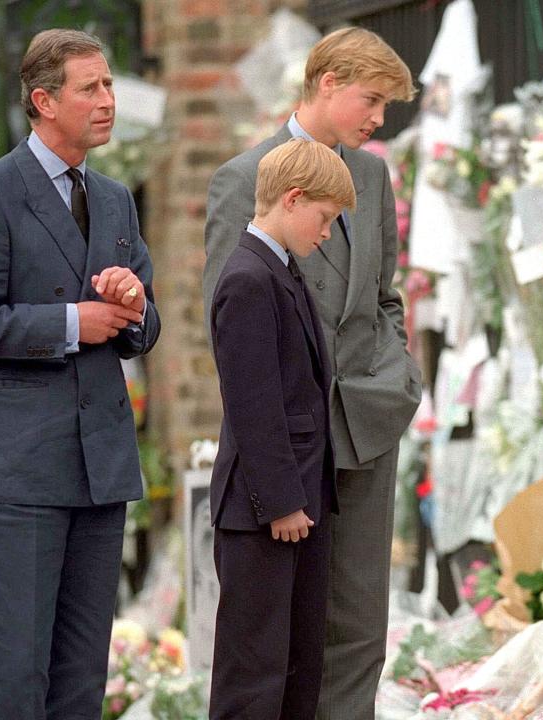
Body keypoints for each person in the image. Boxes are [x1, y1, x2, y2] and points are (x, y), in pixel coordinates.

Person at [0, 29, 160, 720]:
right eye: (90, 88)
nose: (108, 100)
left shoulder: (116, 198)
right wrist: (70, 324)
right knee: (15, 677)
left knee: (82, 679)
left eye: (110, 85)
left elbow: (142, 328)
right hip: (16, 472)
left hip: (101, 467)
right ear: (43, 101)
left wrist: (134, 304)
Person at [203, 27, 422, 719]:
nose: (379, 119)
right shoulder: (246, 179)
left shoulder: (373, 175)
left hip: (370, 424)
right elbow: (233, 329)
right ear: (328, 83)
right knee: (280, 638)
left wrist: (399, 378)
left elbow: (386, 295)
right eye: (373, 99)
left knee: (360, 624)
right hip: (296, 440)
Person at [209, 138, 354, 720]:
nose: (326, 234)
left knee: (297, 666)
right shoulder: (248, 278)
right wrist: (281, 502)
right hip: (264, 510)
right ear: (293, 200)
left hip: (297, 504)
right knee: (254, 675)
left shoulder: (281, 269)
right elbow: (254, 405)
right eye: (324, 219)